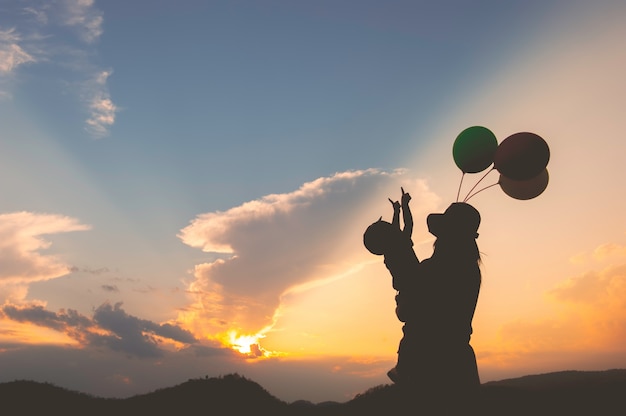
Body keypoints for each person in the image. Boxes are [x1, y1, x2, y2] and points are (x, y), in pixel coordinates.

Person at [396, 202, 482, 411]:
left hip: (425, 365)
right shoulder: (470, 269)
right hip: (458, 364)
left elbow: (406, 312)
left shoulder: (431, 269)